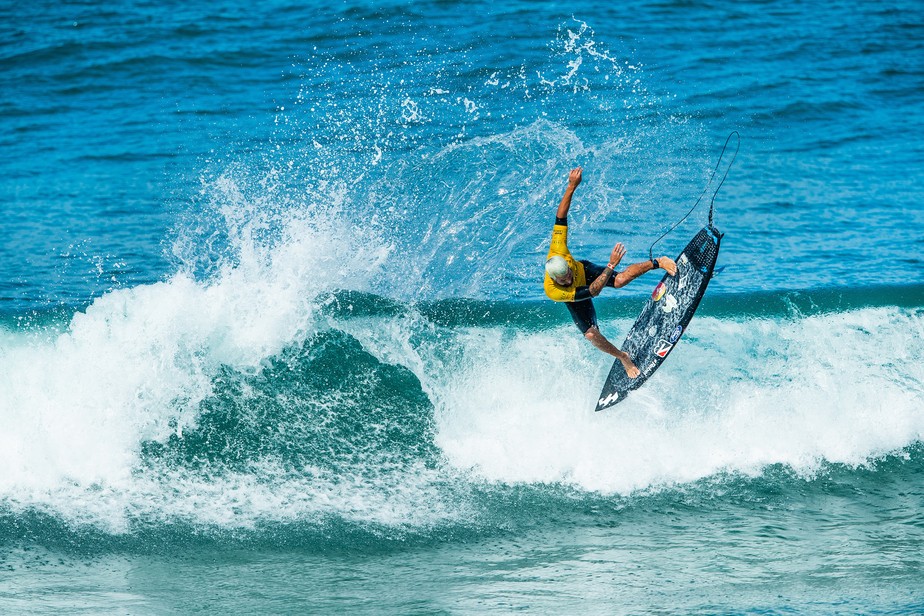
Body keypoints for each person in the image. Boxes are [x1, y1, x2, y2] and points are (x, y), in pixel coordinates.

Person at [544, 167, 677, 378]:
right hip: (578, 295)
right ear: (555, 280)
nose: (568, 277)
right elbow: (594, 292)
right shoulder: (553, 291)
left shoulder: (559, 250)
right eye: (564, 279)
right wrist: (610, 265)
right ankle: (623, 356)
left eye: (568, 272)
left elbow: (560, 216)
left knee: (621, 280)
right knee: (590, 335)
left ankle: (658, 262)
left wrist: (571, 186)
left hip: (585, 271)